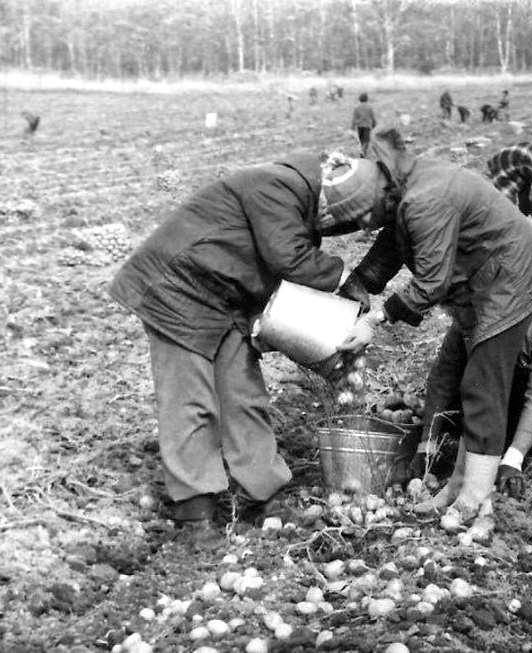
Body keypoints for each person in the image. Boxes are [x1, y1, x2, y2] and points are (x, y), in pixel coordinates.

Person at [108, 152, 375, 531]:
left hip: (224, 296)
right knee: (191, 402)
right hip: (176, 290)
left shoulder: (299, 199)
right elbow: (290, 260)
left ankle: (261, 493)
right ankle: (195, 510)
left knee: (244, 396)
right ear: (336, 206)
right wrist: (346, 279)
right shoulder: (276, 187)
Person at [336, 129, 532, 526]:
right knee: (472, 384)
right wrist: (360, 282)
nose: (366, 223)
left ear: (384, 191)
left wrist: (376, 319)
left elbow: (431, 282)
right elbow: (394, 242)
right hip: (487, 277)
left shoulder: (424, 199)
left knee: (482, 386)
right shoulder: (409, 186)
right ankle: (458, 488)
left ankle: (475, 498)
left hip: (511, 279)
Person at [405, 304, 532, 498]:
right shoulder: (469, 317)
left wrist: (514, 458)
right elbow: (444, 376)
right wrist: (427, 443)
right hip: (499, 380)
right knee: (461, 406)